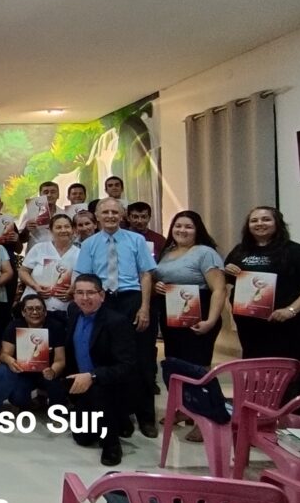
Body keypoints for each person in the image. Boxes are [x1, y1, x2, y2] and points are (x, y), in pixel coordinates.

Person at [74, 198, 157, 438]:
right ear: (97, 217)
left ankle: (146, 417)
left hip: (131, 300)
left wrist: (144, 308)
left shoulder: (137, 240)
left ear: (122, 216)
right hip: (104, 302)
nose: (110, 216)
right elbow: (85, 277)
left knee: (141, 360)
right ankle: (120, 416)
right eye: (105, 212)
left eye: (114, 212)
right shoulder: (89, 244)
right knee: (108, 360)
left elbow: (146, 275)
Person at [223, 207, 300, 367]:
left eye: (266, 219)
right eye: (254, 220)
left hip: (286, 325)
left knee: (286, 371)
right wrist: (227, 271)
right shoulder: (240, 251)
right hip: (249, 324)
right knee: (255, 369)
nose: (259, 223)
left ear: (277, 223)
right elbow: (227, 282)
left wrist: (290, 310)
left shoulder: (296, 251)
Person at [64, 274, 137, 466]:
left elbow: (127, 366)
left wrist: (93, 376)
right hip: (82, 383)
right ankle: (118, 421)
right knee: (83, 438)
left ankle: (111, 445)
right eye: (79, 293)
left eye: (90, 293)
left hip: (108, 385)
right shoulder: (73, 312)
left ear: (102, 295)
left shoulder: (116, 322)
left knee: (100, 396)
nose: (84, 298)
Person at [152, 210, 226, 368]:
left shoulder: (205, 253)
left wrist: (211, 321)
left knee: (196, 369)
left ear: (197, 230)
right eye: (178, 226)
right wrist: (157, 285)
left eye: (188, 227)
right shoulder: (167, 252)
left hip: (198, 318)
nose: (182, 230)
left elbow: (219, 289)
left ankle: (203, 394)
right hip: (172, 318)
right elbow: (160, 277)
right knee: (175, 365)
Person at [0, 295, 67, 412]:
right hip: (22, 372)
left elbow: (60, 359)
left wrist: (53, 371)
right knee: (18, 398)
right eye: (30, 309)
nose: (35, 312)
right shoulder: (14, 326)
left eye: (39, 308)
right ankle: (30, 401)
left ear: (45, 312)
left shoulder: (55, 327)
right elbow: (4, 354)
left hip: (47, 370)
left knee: (57, 388)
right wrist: (11, 361)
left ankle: (56, 409)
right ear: (23, 312)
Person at [18, 213, 79, 324]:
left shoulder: (79, 253)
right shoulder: (39, 248)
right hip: (35, 308)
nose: (63, 230)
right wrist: (35, 286)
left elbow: (84, 279)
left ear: (73, 229)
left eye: (67, 226)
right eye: (58, 227)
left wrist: (73, 290)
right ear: (51, 231)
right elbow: (23, 271)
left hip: (64, 309)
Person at [20, 181, 62, 247]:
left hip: (57, 252)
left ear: (58, 195)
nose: (49, 195)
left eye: (53, 192)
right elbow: (21, 240)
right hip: (35, 253)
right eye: (46, 192)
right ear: (40, 195)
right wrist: (26, 229)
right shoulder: (29, 214)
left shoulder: (64, 214)